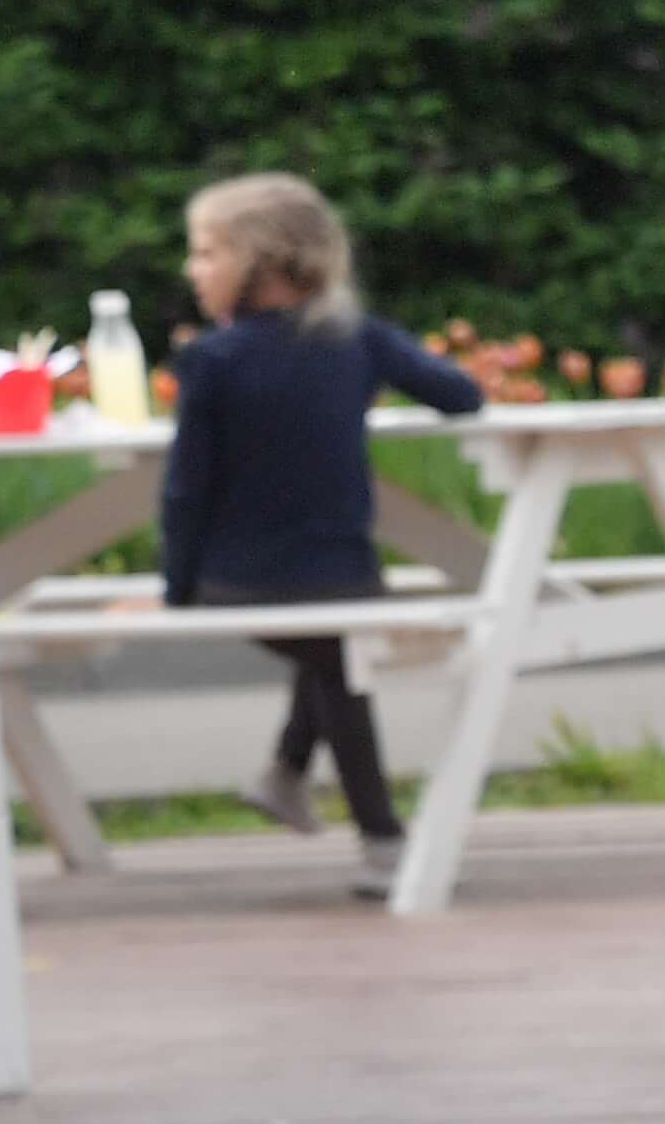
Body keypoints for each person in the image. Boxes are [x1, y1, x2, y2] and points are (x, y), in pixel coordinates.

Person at [160, 171, 484, 903]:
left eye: (208, 252)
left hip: (232, 584)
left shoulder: (212, 361)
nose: (194, 269)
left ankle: (297, 783)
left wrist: (178, 590)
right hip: (339, 576)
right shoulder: (356, 338)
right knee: (340, 653)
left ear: (265, 262)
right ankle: (377, 836)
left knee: (335, 648)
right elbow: (460, 396)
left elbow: (186, 489)